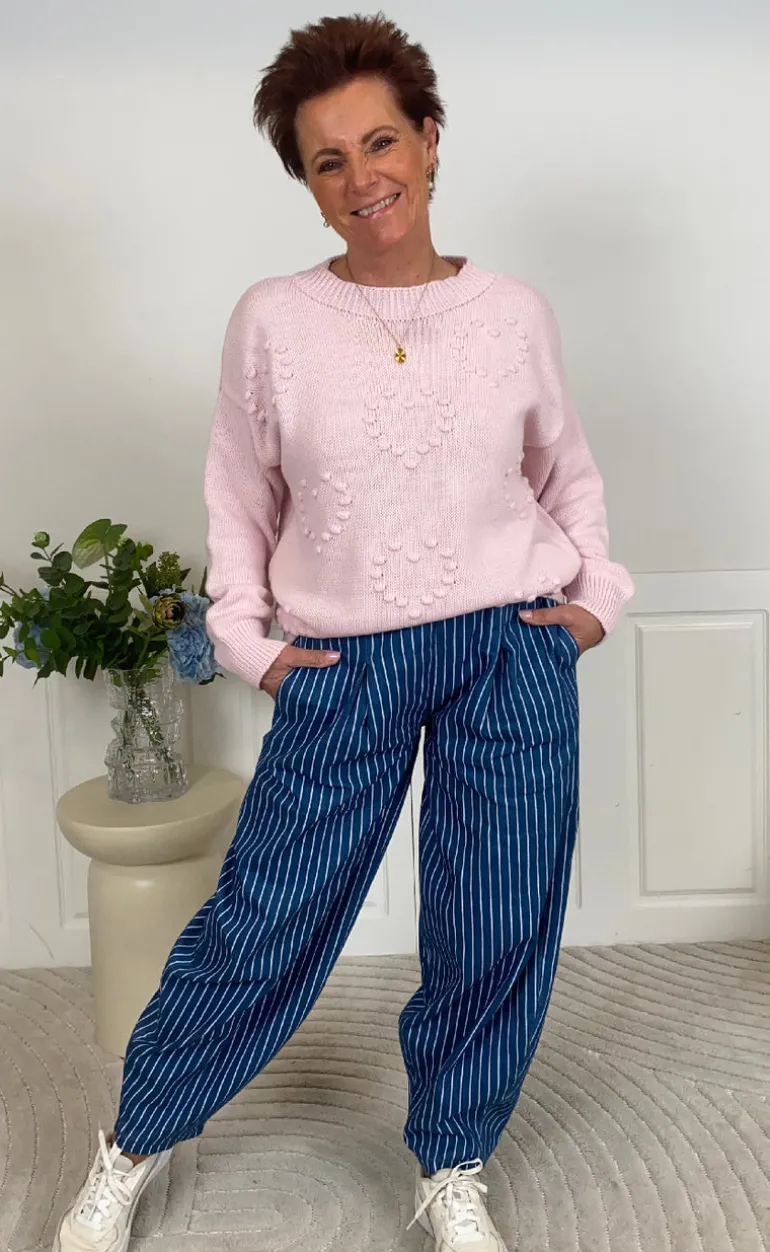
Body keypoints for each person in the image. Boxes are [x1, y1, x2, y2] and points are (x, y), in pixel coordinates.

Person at [55, 13, 633, 1252]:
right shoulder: (273, 320)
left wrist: (593, 600)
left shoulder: (512, 312)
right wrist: (247, 639)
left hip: (508, 645)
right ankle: (133, 1142)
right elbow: (237, 494)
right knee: (266, 914)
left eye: (380, 141)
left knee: (494, 918)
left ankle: (451, 1162)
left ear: (428, 141)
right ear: (308, 187)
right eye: (328, 160)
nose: (362, 176)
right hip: (342, 659)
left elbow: (564, 473)